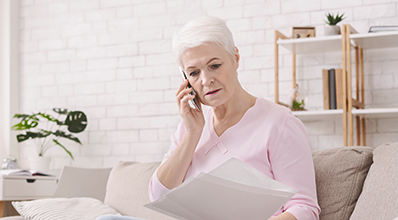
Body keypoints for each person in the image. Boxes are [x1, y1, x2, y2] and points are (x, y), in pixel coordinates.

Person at [97, 16, 320, 220]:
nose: (206, 80)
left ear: (235, 57)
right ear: (186, 80)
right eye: (194, 73)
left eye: (214, 66)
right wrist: (193, 133)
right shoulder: (190, 126)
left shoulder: (279, 123)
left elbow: (303, 208)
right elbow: (158, 194)